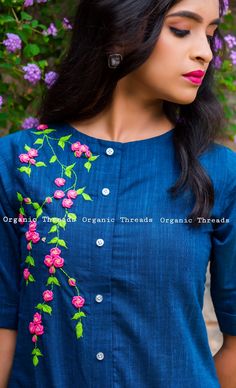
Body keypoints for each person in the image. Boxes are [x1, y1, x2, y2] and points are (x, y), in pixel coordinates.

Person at [0, 0, 236, 386]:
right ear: (119, 31)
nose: (205, 52)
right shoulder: (20, 163)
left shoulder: (218, 172)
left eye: (210, 35)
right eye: (181, 30)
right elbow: (4, 324)